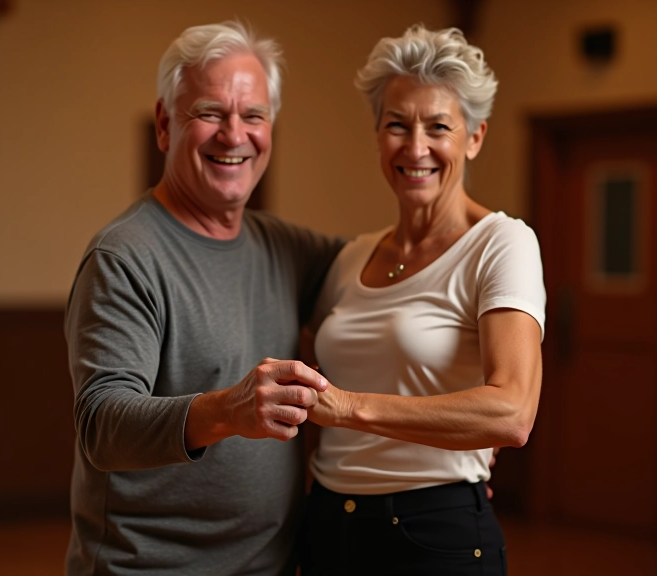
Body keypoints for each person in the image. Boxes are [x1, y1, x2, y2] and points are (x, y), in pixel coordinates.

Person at [63, 21, 345, 576]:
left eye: (254, 116)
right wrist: (229, 409)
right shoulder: (125, 256)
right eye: (210, 113)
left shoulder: (286, 248)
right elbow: (101, 424)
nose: (234, 135)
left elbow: (391, 273)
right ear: (166, 125)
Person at [299, 25, 546, 576]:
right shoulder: (350, 257)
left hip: (434, 531)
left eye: (439, 127)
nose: (415, 148)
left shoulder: (501, 243)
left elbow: (512, 413)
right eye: (396, 125)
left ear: (474, 137)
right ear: (377, 134)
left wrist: (347, 408)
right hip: (328, 524)